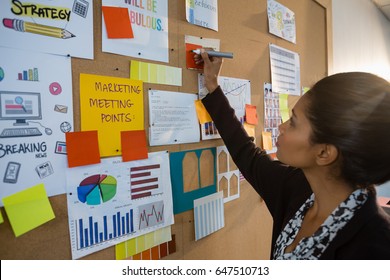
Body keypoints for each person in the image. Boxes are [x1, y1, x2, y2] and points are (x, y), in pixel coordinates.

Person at [194, 49, 390, 260]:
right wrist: (212, 86)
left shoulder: (374, 248)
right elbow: (246, 153)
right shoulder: (297, 188)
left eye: (294, 122)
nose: (281, 126)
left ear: (324, 153)